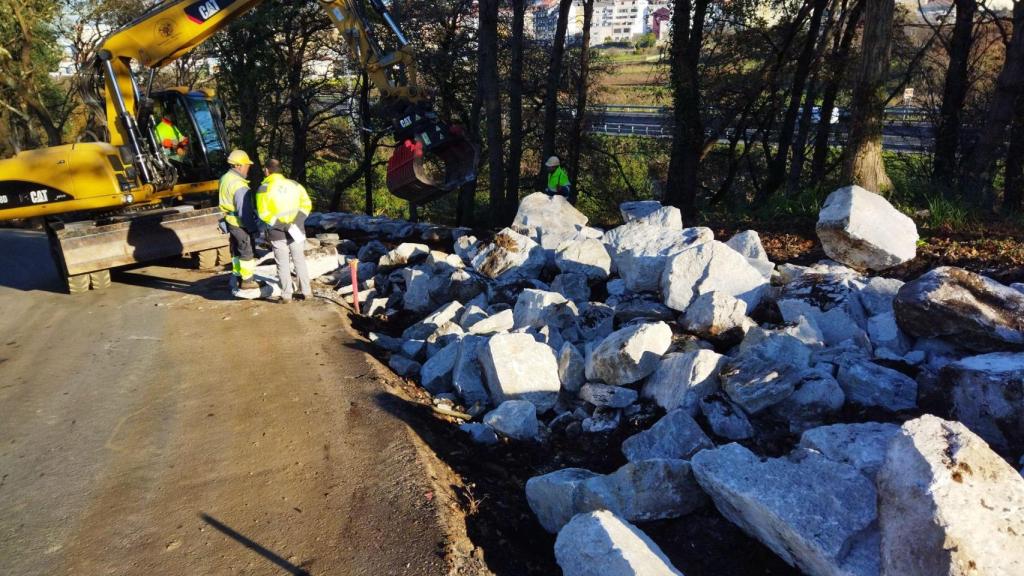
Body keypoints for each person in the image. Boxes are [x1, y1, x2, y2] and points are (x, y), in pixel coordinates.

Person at [255, 159, 313, 303]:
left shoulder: (263, 188)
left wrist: (283, 225)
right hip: (296, 228)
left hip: (277, 231)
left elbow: (263, 214)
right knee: (299, 260)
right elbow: (306, 205)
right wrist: (295, 222)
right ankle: (307, 292)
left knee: (282, 263)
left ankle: (287, 295)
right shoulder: (295, 185)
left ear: (267, 170)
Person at [219, 150, 259, 291]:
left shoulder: (225, 178)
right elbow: (244, 212)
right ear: (238, 166)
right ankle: (247, 281)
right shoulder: (239, 185)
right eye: (246, 165)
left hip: (230, 221)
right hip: (239, 223)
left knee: (236, 252)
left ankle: (237, 277)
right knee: (247, 252)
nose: (248, 168)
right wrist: (253, 229)